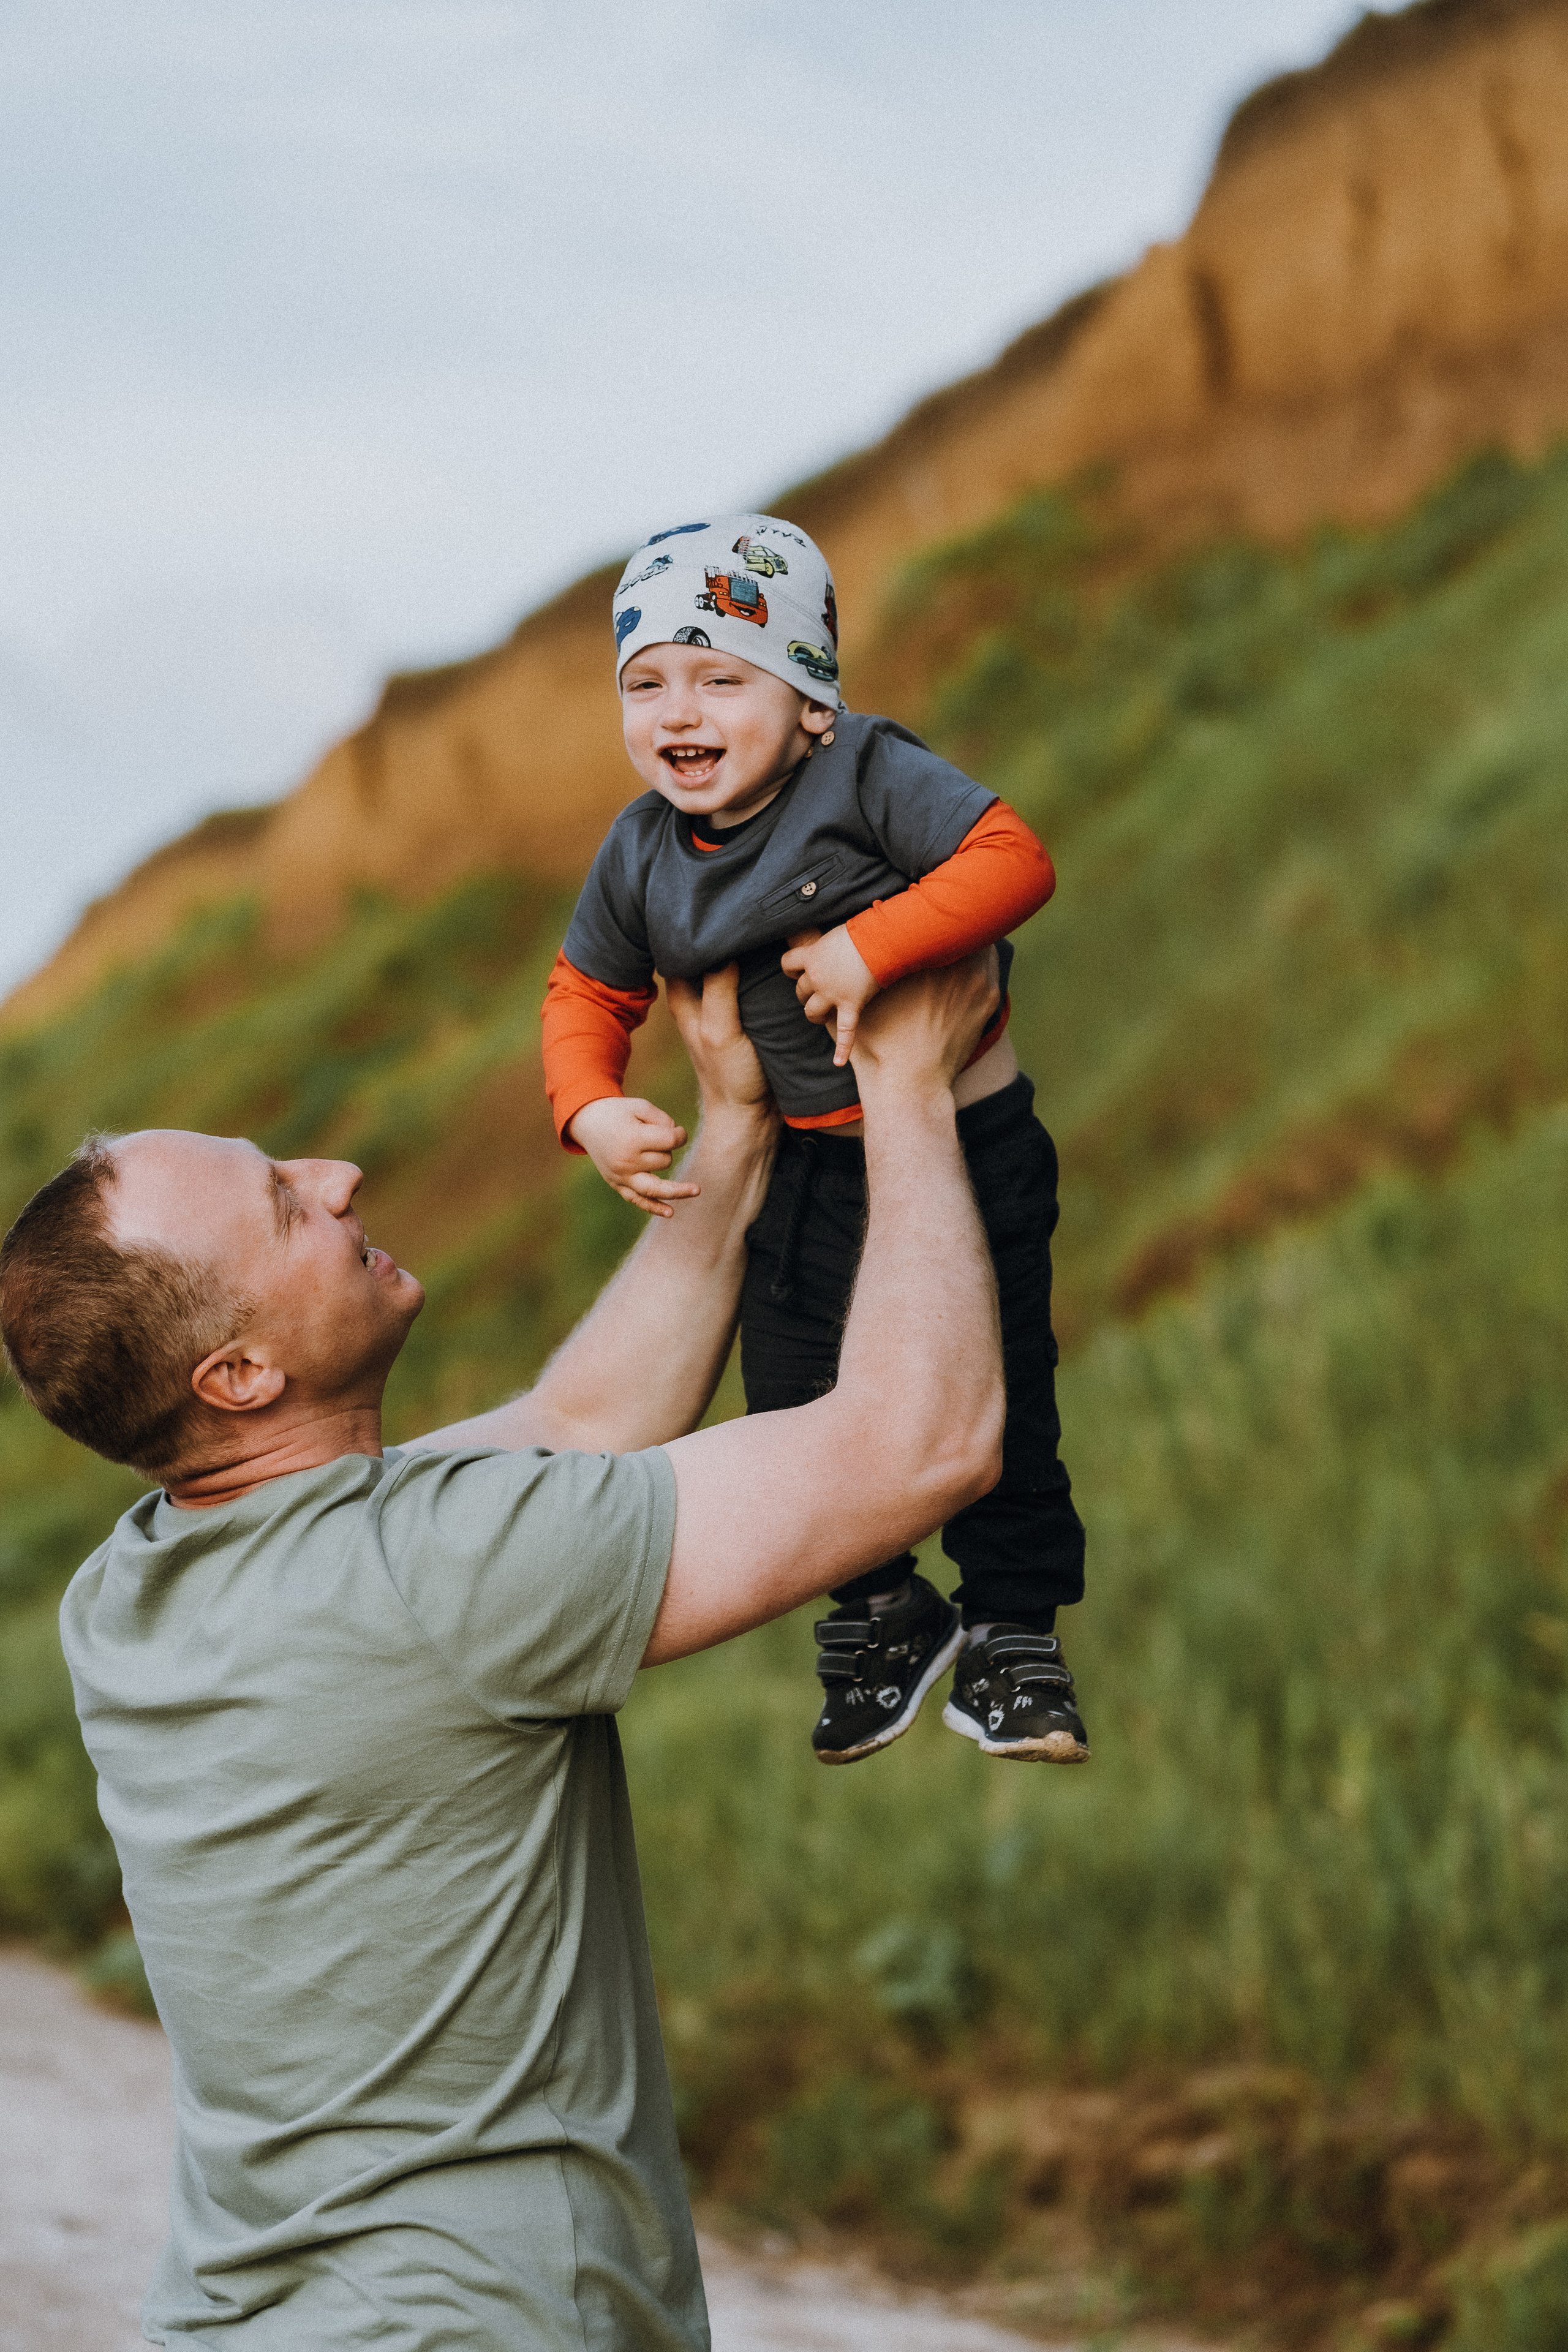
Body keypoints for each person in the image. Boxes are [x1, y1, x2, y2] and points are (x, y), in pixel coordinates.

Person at [0, 957, 1005, 2352]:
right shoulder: (437, 1574)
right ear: (236, 1379)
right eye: (285, 1204)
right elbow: (921, 1441)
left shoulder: (135, 1587)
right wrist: (907, 1086)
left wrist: (731, 1127)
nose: (338, 1173)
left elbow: (586, 1419)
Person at [542, 512, 1088, 1768]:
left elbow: (1011, 857)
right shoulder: (639, 852)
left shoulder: (867, 777)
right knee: (789, 1388)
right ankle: (880, 1613)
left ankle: (1014, 1635)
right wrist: (586, 1102)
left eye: (721, 679)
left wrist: (871, 946)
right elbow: (584, 991)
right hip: (806, 1155)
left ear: (809, 706)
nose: (678, 711)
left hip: (962, 1133)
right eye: (646, 684)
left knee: (993, 1385)